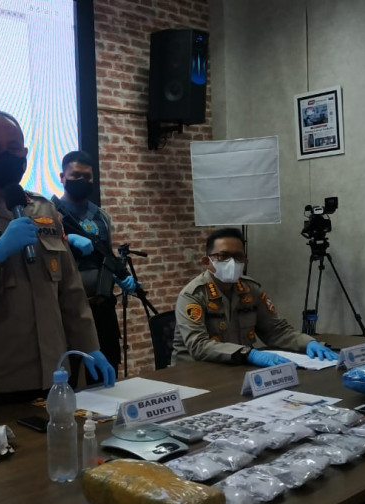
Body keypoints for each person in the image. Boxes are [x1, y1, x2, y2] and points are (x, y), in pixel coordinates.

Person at [0, 110, 116, 414]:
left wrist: (90, 345)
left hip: (54, 374)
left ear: (25, 154)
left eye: (14, 148)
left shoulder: (44, 210)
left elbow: (70, 290)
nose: (7, 156)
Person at [172, 227, 338, 366]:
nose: (232, 262)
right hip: (195, 372)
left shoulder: (251, 289)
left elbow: (275, 330)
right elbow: (198, 346)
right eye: (223, 256)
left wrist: (308, 343)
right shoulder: (193, 295)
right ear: (207, 262)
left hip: (236, 366)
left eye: (238, 256)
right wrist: (250, 354)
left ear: (246, 262)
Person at [53, 150, 136, 386]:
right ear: (62, 177)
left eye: (87, 177)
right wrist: (67, 240)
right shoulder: (49, 213)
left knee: (106, 376)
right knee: (64, 377)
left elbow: (106, 256)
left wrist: (119, 277)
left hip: (101, 306)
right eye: (75, 175)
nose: (82, 181)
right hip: (65, 310)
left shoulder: (101, 216)